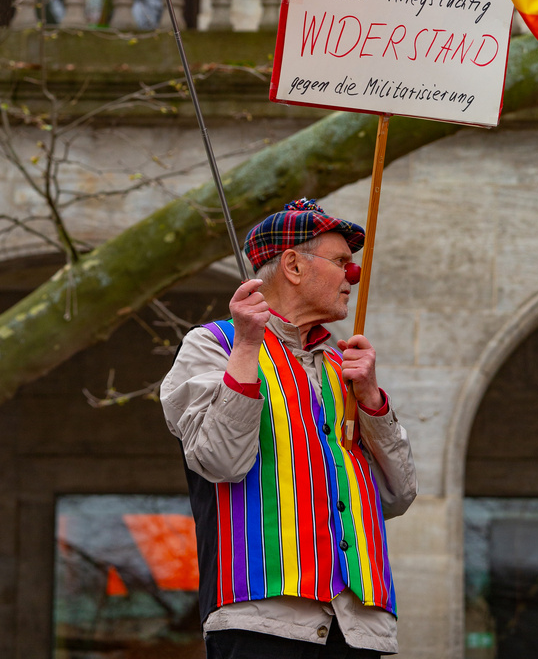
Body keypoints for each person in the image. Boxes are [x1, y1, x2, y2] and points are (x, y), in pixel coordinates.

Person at [161, 198, 417, 658]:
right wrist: (245, 349)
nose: (352, 276)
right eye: (341, 262)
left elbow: (398, 496)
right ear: (294, 265)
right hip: (262, 617)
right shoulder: (213, 345)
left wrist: (374, 403)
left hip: (359, 626)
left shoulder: (346, 367)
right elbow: (219, 460)